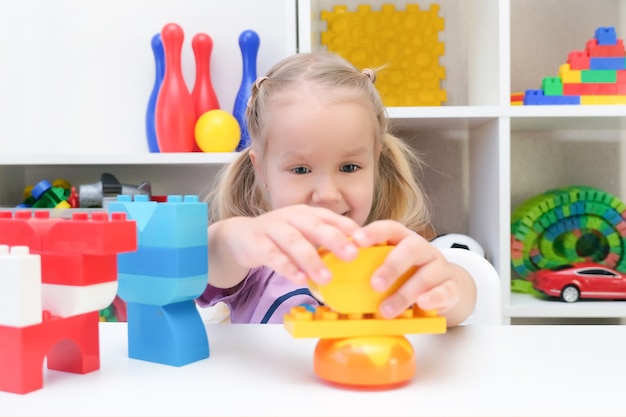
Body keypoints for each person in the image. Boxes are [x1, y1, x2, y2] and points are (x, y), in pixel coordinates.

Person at [197, 51, 478, 327]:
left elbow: (460, 303)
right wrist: (235, 238)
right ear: (262, 170)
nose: (328, 194)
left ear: (375, 161)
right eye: (300, 170)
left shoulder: (392, 259)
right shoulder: (256, 259)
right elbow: (211, 258)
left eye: (349, 167)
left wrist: (451, 285)